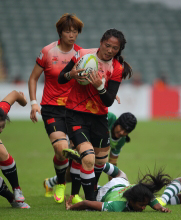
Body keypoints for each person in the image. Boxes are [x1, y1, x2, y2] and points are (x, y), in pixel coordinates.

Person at [58, 28, 133, 202]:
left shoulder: (116, 68)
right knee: (88, 157)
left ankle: (81, 194)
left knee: (100, 161)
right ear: (101, 42)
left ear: (119, 50)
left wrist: (100, 86)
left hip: (99, 117)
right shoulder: (82, 54)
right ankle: (89, 200)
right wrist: (72, 74)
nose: (110, 50)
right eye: (107, 46)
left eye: (115, 48)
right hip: (75, 113)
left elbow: (107, 101)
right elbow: (61, 78)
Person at [28, 13, 84, 204]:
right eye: (68, 31)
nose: (72, 35)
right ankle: (60, 183)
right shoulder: (47, 51)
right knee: (61, 149)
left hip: (75, 109)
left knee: (77, 151)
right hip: (51, 108)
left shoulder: (81, 54)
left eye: (75, 31)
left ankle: (74, 194)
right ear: (60, 32)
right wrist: (34, 103)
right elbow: (33, 78)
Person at [43, 111, 137, 197]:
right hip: (81, 140)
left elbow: (112, 162)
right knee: (78, 170)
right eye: (121, 128)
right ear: (117, 123)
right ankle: (84, 193)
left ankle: (50, 183)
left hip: (92, 151)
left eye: (126, 131)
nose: (121, 132)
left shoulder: (122, 140)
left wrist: (114, 185)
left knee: (72, 175)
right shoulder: (108, 118)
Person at [65, 166, 171, 212]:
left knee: (121, 174)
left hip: (121, 182)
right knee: (89, 184)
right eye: (141, 205)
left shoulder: (142, 194)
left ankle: (97, 162)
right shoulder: (116, 206)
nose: (144, 207)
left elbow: (153, 201)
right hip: (104, 191)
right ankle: (95, 162)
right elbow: (86, 203)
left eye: (144, 205)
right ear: (131, 201)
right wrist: (70, 208)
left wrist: (161, 208)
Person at [0, 90, 30, 208]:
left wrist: (24, 102)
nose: (1, 130)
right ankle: (11, 198)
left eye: (2, 126)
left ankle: (17, 189)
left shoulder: (2, 109)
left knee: (2, 153)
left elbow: (15, 94)